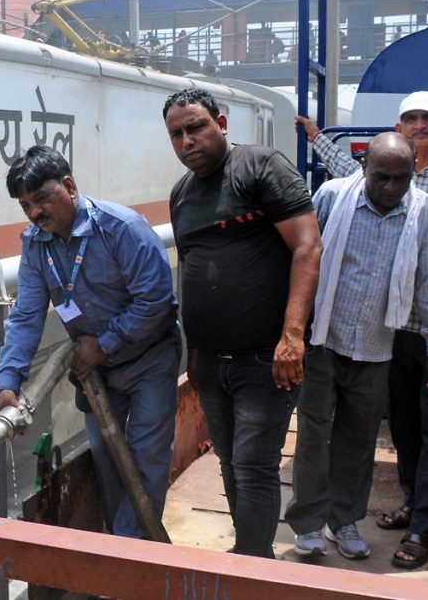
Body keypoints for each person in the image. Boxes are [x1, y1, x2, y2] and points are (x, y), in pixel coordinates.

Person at [297, 90, 428, 568]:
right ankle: (307, 522)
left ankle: (346, 519)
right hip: (324, 339)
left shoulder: (422, 206)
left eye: (399, 180)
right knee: (313, 434)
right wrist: (293, 331)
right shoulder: (331, 195)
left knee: (361, 438)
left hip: (379, 342)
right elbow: (304, 262)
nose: (389, 188)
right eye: (380, 178)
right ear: (362, 169)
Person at [164, 87, 322, 558]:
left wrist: (292, 337)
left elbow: (307, 247)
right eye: (176, 134)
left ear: (222, 123)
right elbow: (191, 267)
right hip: (212, 361)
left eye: (196, 127)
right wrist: (194, 355)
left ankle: (252, 566)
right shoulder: (181, 195)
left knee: (254, 463)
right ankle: (252, 556)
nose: (187, 140)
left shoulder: (260, 167)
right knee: (231, 462)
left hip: (266, 358)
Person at [0, 145, 181, 539]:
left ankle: (130, 559)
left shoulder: (121, 228)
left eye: (41, 198)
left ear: (69, 185)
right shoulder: (35, 243)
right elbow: (27, 313)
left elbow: (157, 301)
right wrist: (8, 380)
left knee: (146, 459)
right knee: (108, 461)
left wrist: (105, 342)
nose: (34, 212)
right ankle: (124, 548)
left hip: (149, 357)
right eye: (25, 205)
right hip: (97, 371)